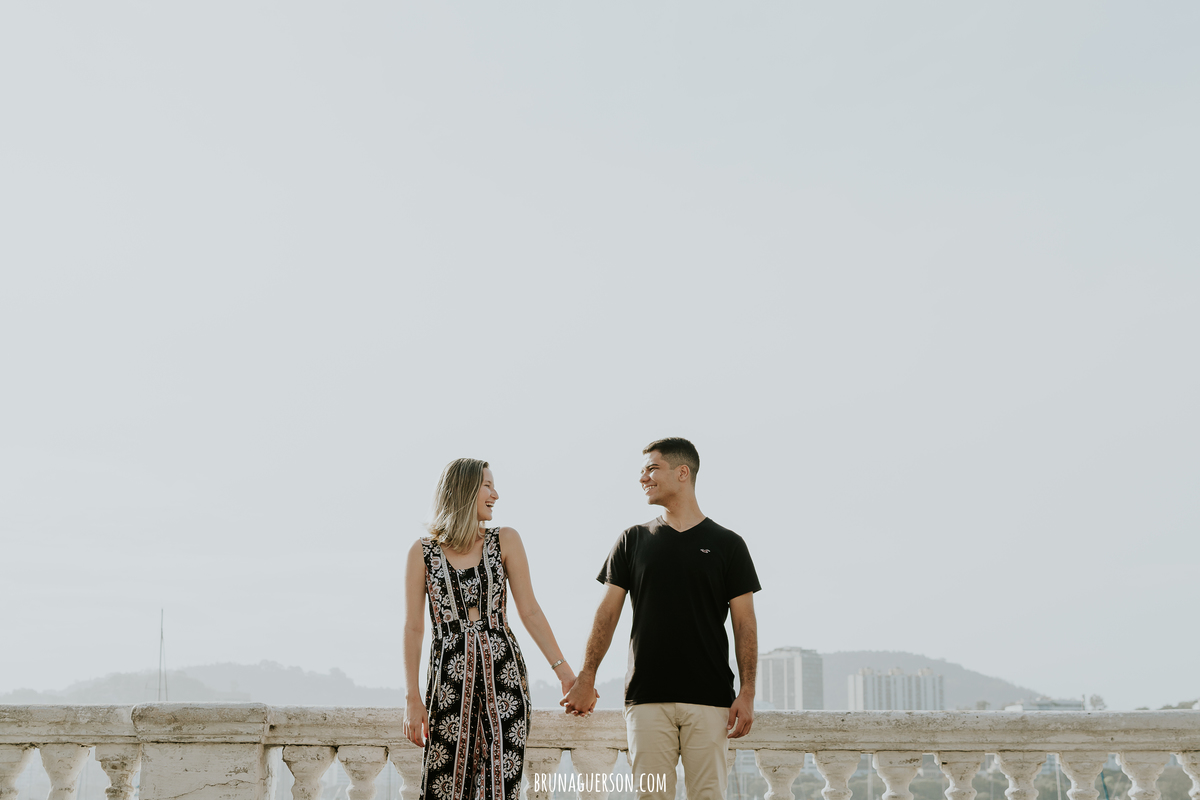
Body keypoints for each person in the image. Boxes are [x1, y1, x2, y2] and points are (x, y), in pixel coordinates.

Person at [562, 437, 761, 800]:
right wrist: (586, 676)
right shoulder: (632, 540)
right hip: (646, 697)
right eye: (642, 472)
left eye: (652, 469)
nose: (643, 479)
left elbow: (745, 624)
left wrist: (747, 692)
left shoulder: (729, 544)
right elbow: (607, 614)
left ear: (682, 472)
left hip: (710, 699)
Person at [403, 458, 582, 800]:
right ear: (464, 490)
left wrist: (565, 673)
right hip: (447, 687)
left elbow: (529, 611)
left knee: (501, 784)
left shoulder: (506, 540)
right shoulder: (423, 553)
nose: (495, 494)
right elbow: (413, 627)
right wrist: (413, 698)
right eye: (487, 485)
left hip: (505, 682)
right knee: (445, 785)